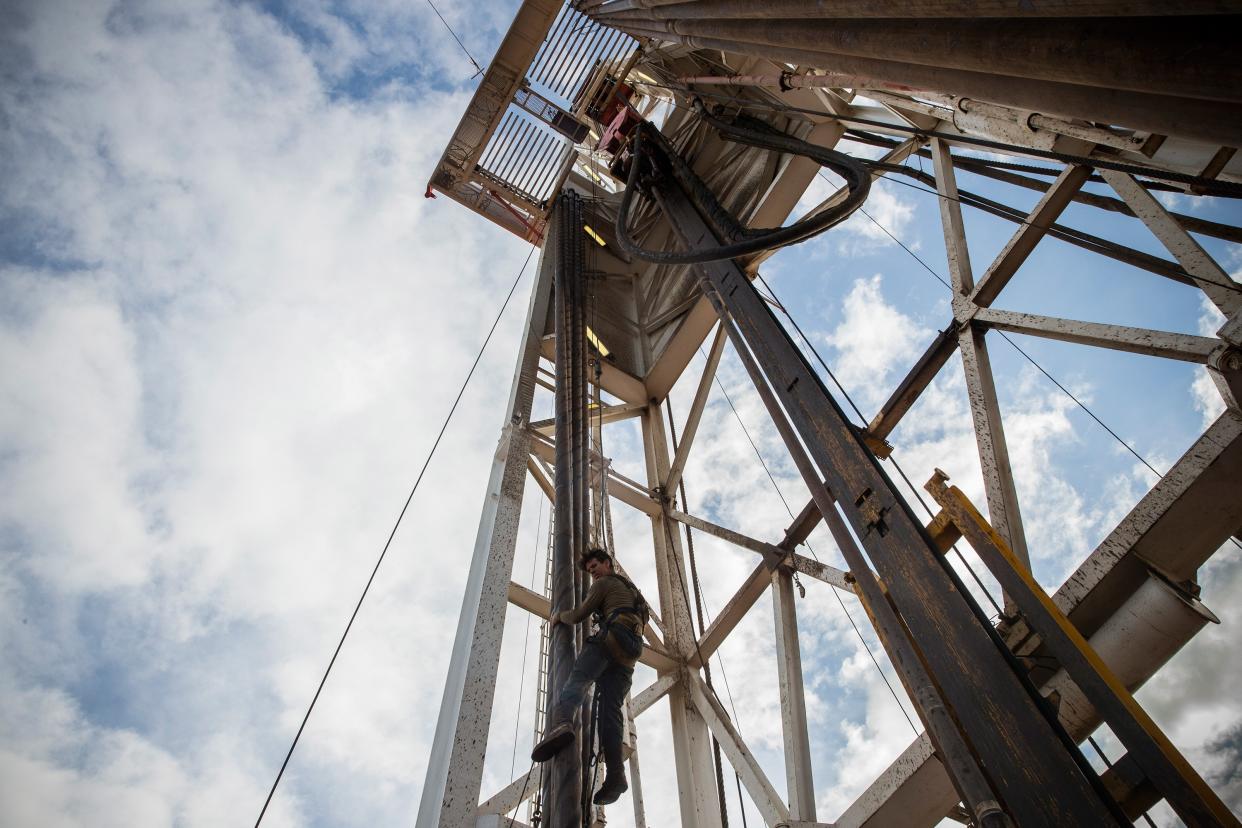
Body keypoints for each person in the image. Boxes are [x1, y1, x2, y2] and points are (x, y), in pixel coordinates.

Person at [531, 546, 647, 806]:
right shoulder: (632, 592)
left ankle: (562, 723)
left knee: (578, 680)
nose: (593, 573)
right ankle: (616, 775)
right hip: (630, 654)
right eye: (590, 570)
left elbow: (580, 613)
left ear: (607, 564)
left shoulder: (605, 583)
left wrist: (560, 616)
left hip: (612, 638)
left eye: (595, 566)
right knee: (610, 711)